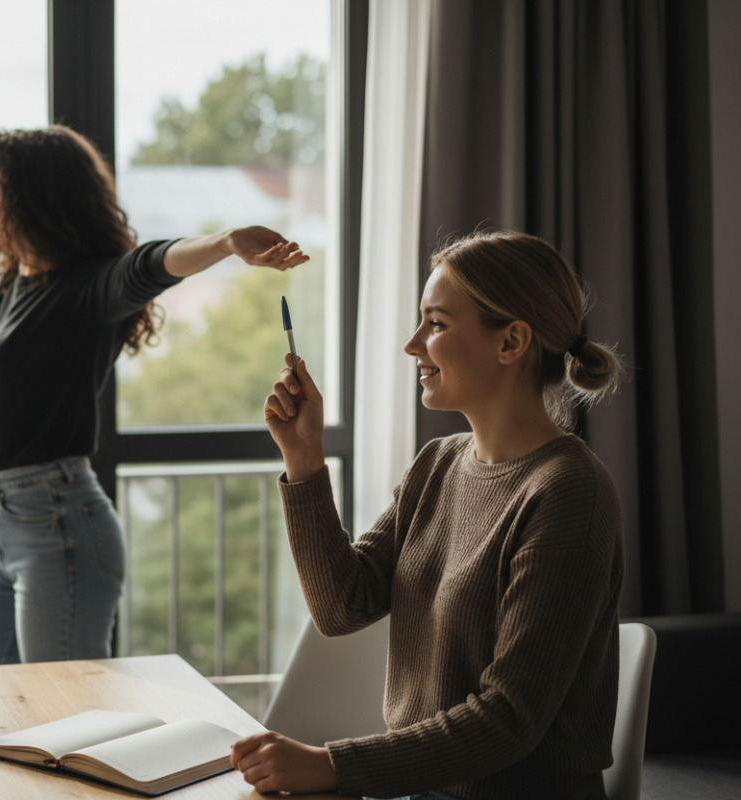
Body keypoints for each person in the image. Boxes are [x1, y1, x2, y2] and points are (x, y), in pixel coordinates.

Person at [231, 230, 625, 799]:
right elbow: (341, 606)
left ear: (511, 341)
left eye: (436, 324)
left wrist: (334, 766)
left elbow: (509, 719)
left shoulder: (567, 493)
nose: (413, 345)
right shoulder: (437, 464)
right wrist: (304, 460)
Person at [0, 125, 308, 668]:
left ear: (31, 198)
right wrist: (1, 159)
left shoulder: (84, 290)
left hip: (59, 534)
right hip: (2, 534)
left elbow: (150, 265)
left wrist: (228, 242)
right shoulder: (15, 282)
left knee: (67, 719)